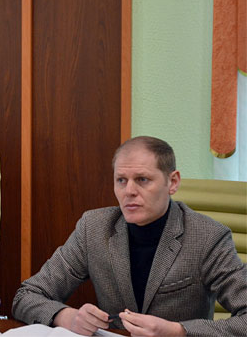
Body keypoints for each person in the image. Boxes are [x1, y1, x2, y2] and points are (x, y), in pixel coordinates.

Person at [12, 136, 246, 336]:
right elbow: (27, 296)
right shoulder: (94, 228)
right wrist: (67, 317)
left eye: (142, 180)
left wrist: (178, 331)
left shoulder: (208, 237)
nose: (129, 191)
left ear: (172, 182)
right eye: (121, 180)